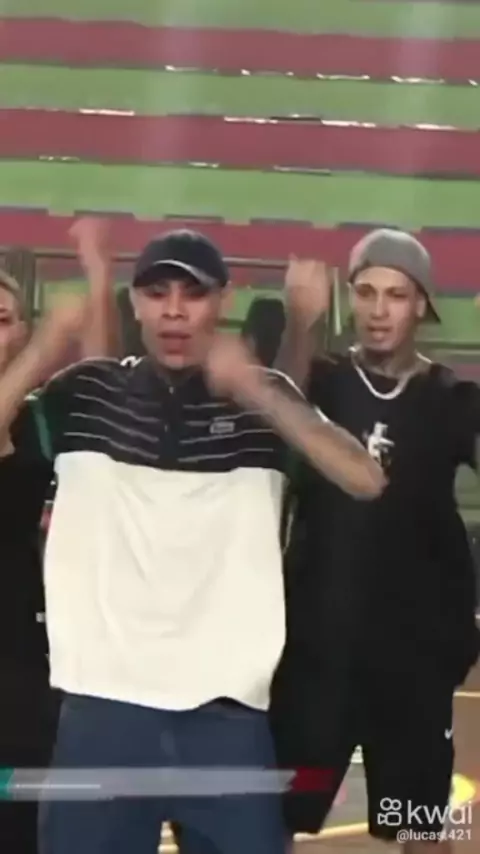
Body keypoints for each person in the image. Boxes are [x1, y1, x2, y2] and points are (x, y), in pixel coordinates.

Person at [0, 228, 384, 854]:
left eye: (193, 294)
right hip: (101, 713)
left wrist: (256, 388)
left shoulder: (266, 400)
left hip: (226, 721)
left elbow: (364, 479)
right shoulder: (87, 391)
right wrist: (46, 344)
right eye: (157, 293)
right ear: (136, 303)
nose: (174, 311)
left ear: (222, 302)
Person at [271, 229, 480, 854]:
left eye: (396, 295)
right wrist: (300, 325)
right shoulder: (321, 381)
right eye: (366, 292)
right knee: (272, 821)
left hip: (412, 665)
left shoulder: (452, 399)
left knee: (420, 829)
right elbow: (274, 417)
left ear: (422, 306)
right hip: (317, 659)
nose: (379, 309)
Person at [0, 218, 116, 854]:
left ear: (17, 331)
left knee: (26, 826)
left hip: (27, 654)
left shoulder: (42, 417)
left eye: (0, 320)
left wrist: (98, 274)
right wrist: (48, 343)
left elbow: (101, 383)